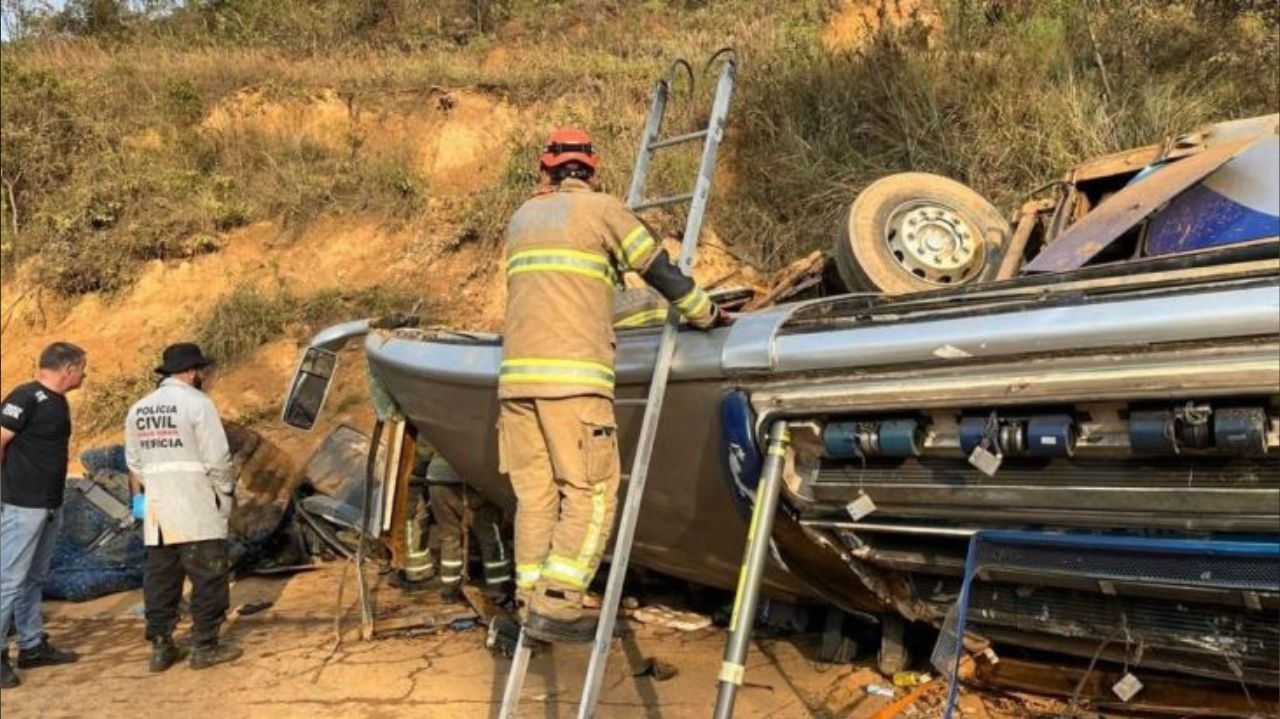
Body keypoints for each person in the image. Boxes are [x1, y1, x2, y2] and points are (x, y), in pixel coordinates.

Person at [498, 127, 727, 643]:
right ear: (591, 168)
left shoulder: (520, 220)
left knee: (536, 498)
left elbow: (556, 292)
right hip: (574, 382)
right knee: (592, 492)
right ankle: (558, 606)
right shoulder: (603, 210)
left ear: (546, 168)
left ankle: (528, 600)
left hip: (515, 386)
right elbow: (658, 271)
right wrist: (705, 313)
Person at [125, 343, 241, 672]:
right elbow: (217, 458)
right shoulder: (198, 404)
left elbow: (133, 462)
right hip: (196, 503)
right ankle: (205, 647)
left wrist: (149, 493)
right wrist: (224, 494)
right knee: (209, 575)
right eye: (199, 371)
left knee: (161, 580)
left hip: (158, 511)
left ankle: (161, 648)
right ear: (191, 371)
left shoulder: (139, 409)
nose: (200, 376)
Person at [0, 342, 87, 689]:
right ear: (67, 369)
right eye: (82, 368)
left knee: (34, 578)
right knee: (9, 581)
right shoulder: (25, 397)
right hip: (22, 504)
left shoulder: (57, 401)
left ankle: (32, 645)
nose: (84, 374)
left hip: (49, 504)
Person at [426, 455, 512, 605]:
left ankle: (449, 588)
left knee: (449, 536)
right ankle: (499, 588)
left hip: (436, 478)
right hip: (468, 480)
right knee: (491, 535)